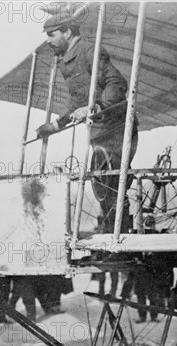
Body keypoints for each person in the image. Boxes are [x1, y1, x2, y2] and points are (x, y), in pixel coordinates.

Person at [36, 12, 138, 233]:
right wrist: (56, 125)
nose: (47, 40)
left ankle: (119, 235)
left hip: (118, 127)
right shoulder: (66, 61)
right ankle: (111, 232)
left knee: (112, 186)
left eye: (51, 34)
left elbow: (116, 83)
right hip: (99, 131)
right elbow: (78, 100)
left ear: (68, 32)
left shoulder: (89, 51)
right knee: (103, 188)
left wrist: (95, 108)